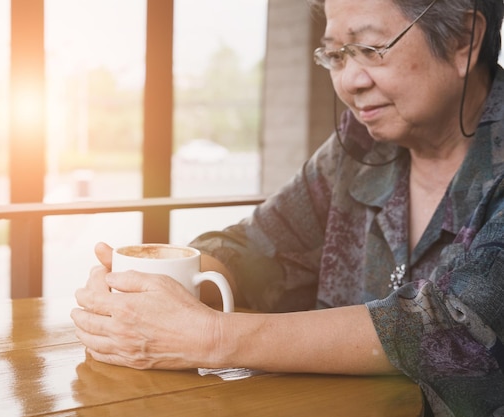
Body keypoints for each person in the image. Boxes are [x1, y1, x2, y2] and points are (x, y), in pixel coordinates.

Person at [71, 0, 504, 415]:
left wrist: (211, 336)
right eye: (336, 54)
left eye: (371, 48)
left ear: (463, 40)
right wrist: (147, 293)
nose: (349, 81)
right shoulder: (358, 146)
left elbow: (459, 325)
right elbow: (253, 245)